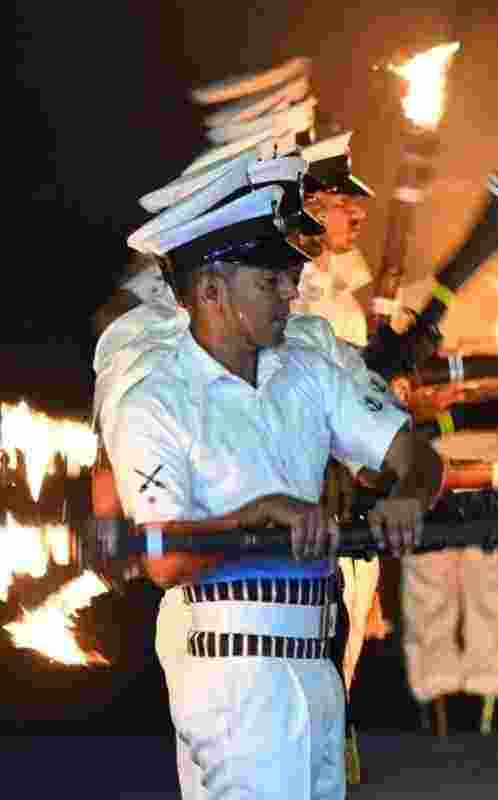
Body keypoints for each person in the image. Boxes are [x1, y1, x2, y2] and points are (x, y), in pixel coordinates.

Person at [102, 174, 444, 800]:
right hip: (234, 676)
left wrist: (408, 497)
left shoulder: (306, 370)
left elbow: (414, 456)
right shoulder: (156, 400)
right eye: (270, 281)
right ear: (210, 290)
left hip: (316, 662)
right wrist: (256, 514)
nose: (292, 290)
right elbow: (164, 559)